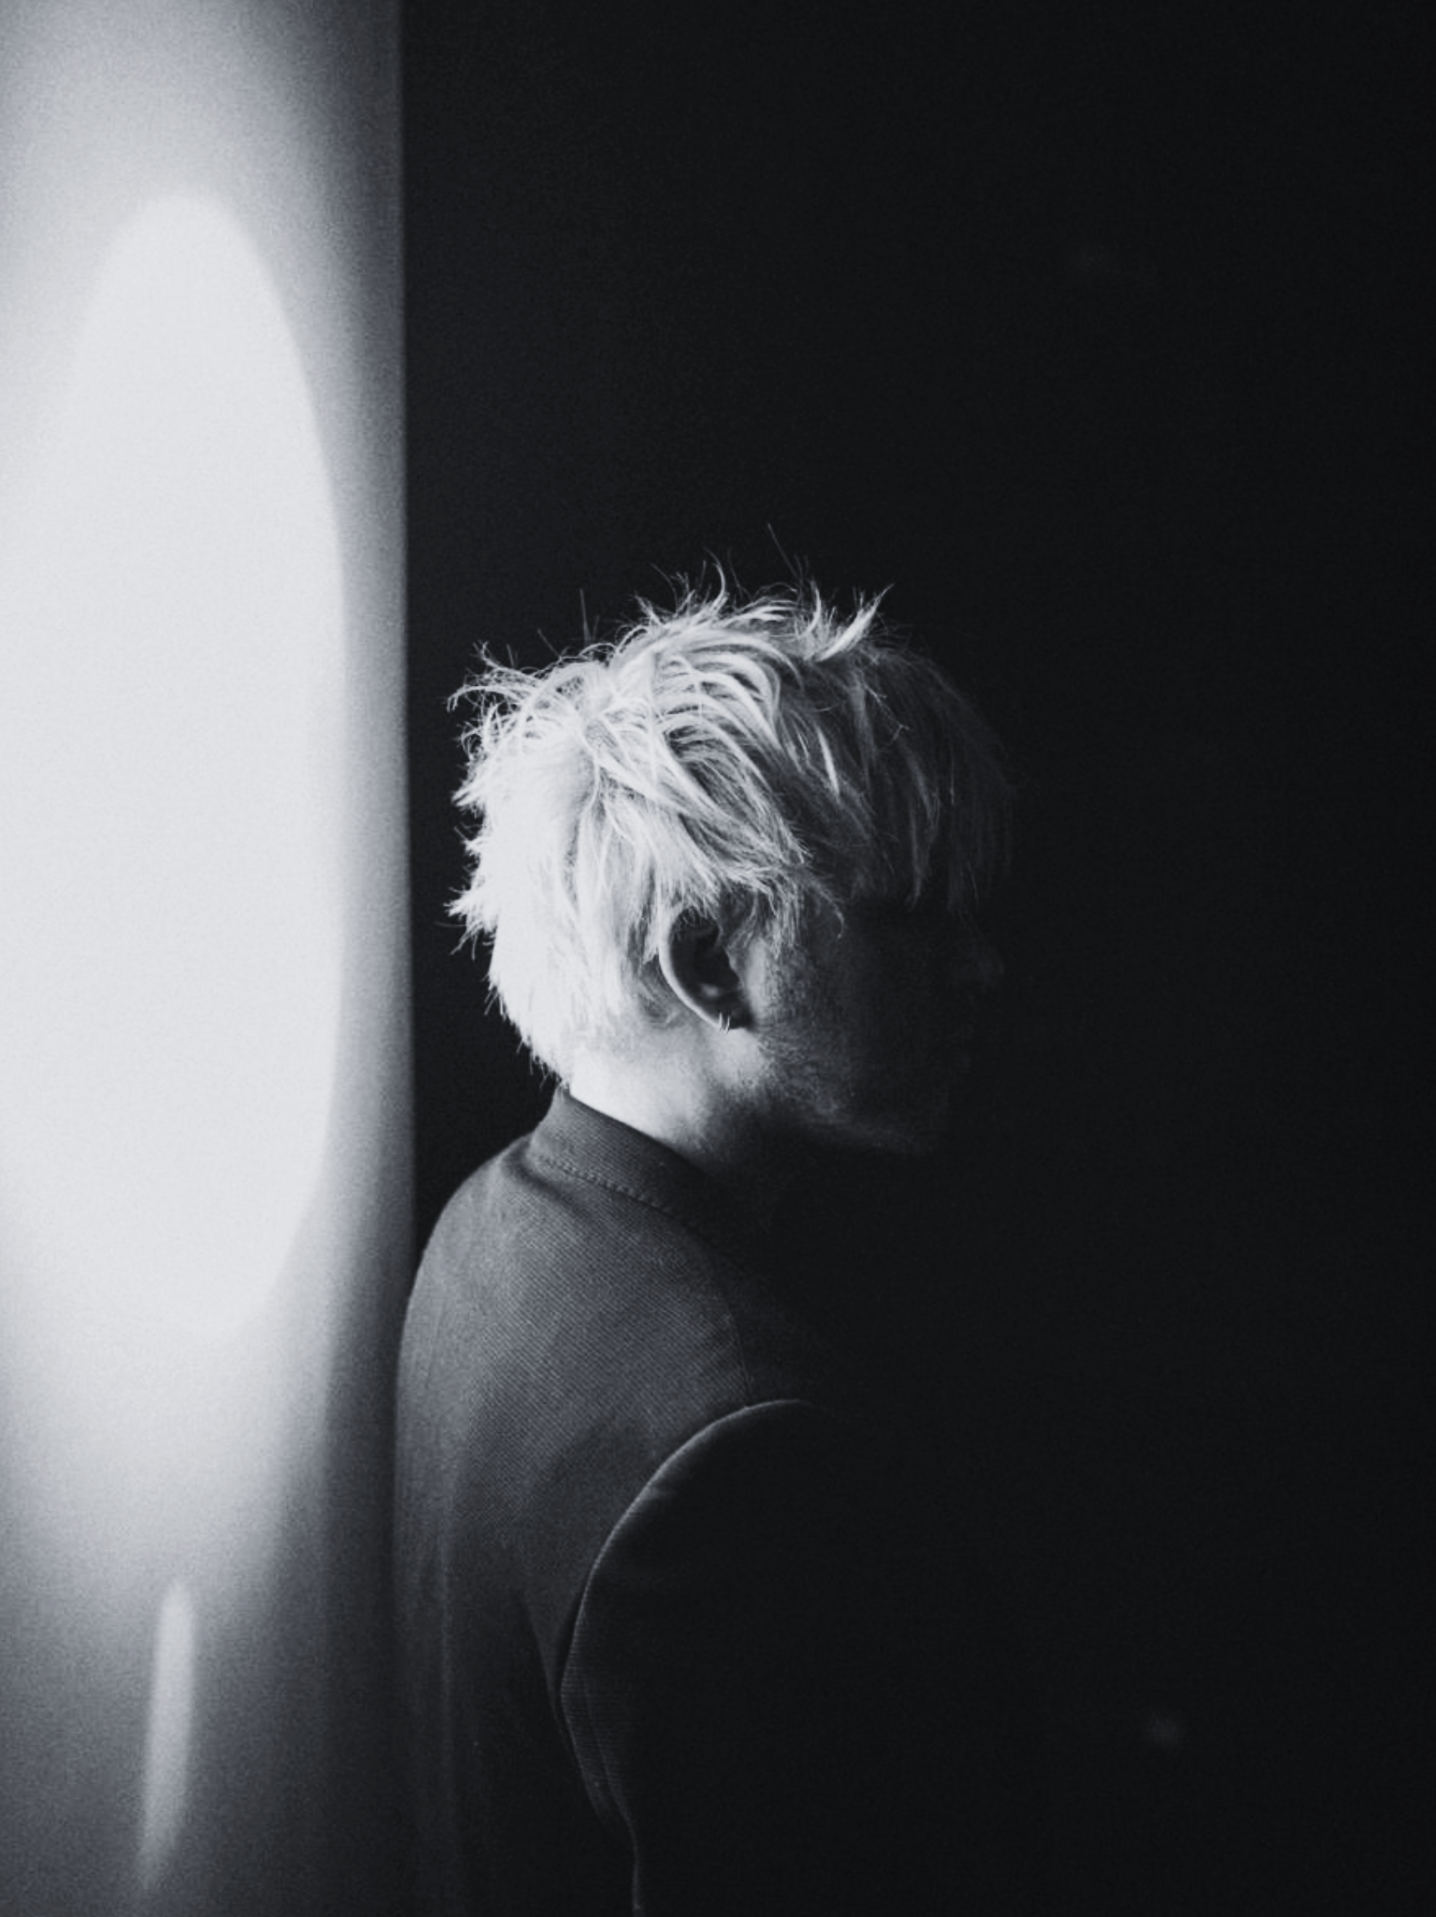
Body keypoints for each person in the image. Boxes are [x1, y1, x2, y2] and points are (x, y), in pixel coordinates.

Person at [394, 579, 1049, 1914]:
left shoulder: (493, 1225)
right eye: (912, 915)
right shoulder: (745, 1457)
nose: (981, 967)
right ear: (707, 960)